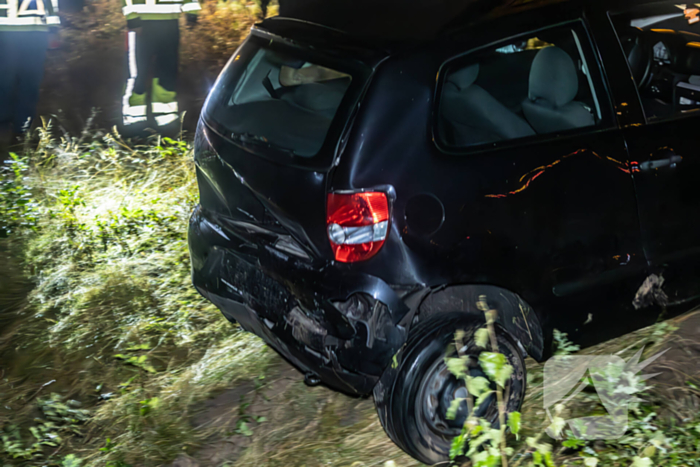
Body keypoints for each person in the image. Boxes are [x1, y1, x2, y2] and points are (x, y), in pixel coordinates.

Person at [121, 0, 201, 130]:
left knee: (167, 72)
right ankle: (134, 123)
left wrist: (191, 13)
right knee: (138, 73)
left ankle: (166, 122)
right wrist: (133, 19)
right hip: (141, 24)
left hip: (170, 24)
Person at [0, 0, 60, 145]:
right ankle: (7, 127)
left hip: (34, 31)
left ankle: (21, 130)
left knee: (30, 81)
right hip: (8, 30)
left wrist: (53, 28)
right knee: (5, 80)